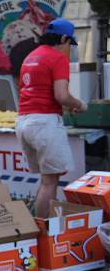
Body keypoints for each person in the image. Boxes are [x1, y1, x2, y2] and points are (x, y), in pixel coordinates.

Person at [16, 18, 87, 217]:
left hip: (24, 121)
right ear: (63, 38)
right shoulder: (57, 58)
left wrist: (63, 107)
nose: (69, 49)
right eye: (69, 44)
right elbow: (62, 95)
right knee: (50, 183)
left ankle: (38, 228)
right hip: (44, 124)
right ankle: (45, 233)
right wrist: (79, 104)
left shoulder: (31, 56)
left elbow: (33, 91)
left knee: (46, 180)